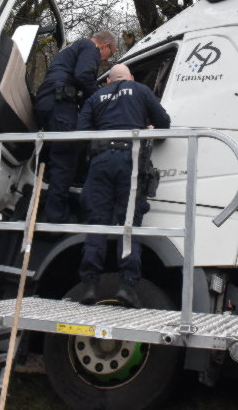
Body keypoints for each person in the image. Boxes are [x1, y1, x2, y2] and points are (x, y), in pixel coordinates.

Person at [76, 64, 170, 307]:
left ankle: (89, 285)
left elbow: (81, 131)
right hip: (130, 161)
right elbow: (163, 122)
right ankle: (127, 286)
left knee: (97, 224)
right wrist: (148, 129)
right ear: (131, 78)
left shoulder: (96, 97)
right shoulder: (140, 90)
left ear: (108, 81)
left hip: (101, 162)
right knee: (128, 225)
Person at [34, 31, 118, 223]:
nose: (105, 59)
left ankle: (50, 206)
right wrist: (99, 100)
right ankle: (56, 216)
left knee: (61, 154)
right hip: (60, 103)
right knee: (65, 158)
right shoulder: (90, 47)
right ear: (104, 45)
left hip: (48, 102)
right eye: (109, 54)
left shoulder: (72, 49)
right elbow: (83, 75)